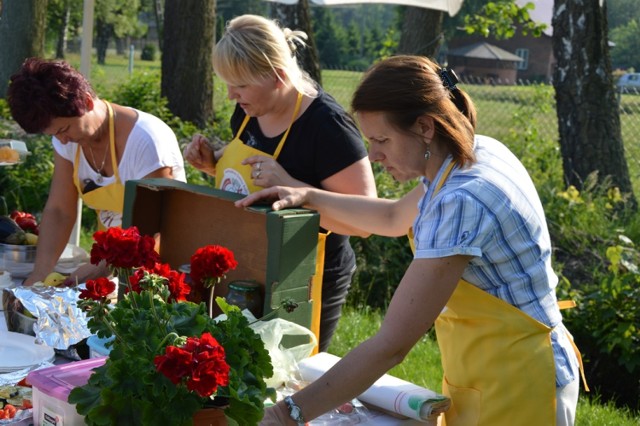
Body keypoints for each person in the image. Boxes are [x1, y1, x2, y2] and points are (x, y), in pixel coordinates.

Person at [238, 55, 587, 426]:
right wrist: (307, 195)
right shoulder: (469, 152)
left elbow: (392, 345)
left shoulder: (461, 199)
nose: (373, 155)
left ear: (424, 127)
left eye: (382, 139)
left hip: (519, 382)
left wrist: (287, 413)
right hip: (492, 369)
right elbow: (391, 217)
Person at [183, 14, 377, 352]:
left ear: (277, 76)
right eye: (227, 83)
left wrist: (291, 186)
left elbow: (365, 222)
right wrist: (212, 163)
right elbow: (249, 174)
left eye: (239, 85)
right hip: (249, 262)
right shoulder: (249, 110)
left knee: (292, 378)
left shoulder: (328, 128)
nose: (231, 95)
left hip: (305, 280)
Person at [7, 57, 186, 286]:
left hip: (158, 272)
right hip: (113, 267)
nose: (62, 140)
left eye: (64, 129)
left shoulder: (146, 141)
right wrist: (40, 274)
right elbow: (60, 210)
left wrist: (102, 266)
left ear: (87, 102)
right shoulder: (66, 141)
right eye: (53, 134)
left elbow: (153, 229)